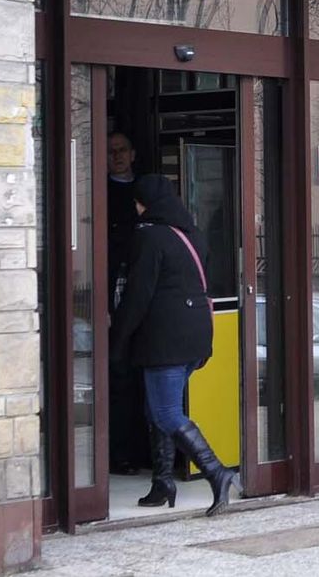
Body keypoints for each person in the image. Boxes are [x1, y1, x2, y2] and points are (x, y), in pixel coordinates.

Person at [110, 174, 238, 515]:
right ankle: (162, 482)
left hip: (165, 339)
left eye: (137, 202)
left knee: (165, 412)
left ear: (145, 203)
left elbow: (138, 294)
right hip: (195, 336)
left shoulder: (149, 236)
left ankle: (216, 472)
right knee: (158, 410)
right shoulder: (191, 233)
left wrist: (118, 336)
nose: (136, 208)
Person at [104, 132, 150, 475]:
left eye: (121, 150)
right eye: (110, 151)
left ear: (133, 153)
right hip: (115, 295)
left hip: (145, 297)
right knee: (119, 378)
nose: (116, 156)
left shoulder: (146, 191)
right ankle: (119, 454)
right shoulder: (101, 193)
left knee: (144, 378)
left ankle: (144, 451)